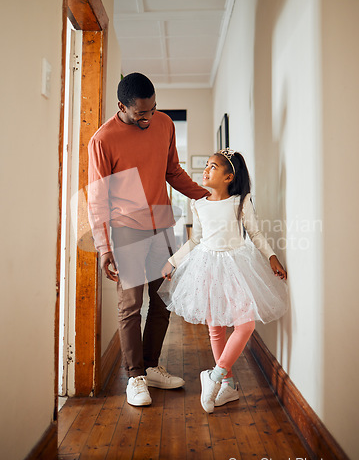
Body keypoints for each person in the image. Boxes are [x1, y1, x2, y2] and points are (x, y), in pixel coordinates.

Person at [87, 73, 209, 407]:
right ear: (121, 107)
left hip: (162, 226)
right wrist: (104, 247)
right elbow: (97, 201)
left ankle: (152, 366)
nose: (149, 117)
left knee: (164, 299)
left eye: (153, 109)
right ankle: (135, 376)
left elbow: (173, 171)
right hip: (127, 230)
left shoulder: (164, 123)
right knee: (130, 305)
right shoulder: (102, 140)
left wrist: (206, 196)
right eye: (142, 113)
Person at [158, 148, 288, 413]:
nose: (205, 170)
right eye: (206, 165)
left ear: (229, 177)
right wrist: (174, 261)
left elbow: (255, 232)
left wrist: (272, 256)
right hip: (207, 265)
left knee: (245, 324)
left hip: (237, 265)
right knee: (215, 326)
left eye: (213, 167)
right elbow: (196, 239)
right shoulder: (199, 203)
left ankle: (215, 376)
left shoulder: (240, 201)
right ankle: (227, 386)